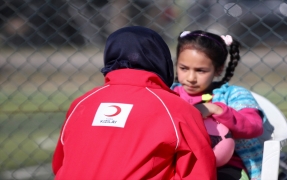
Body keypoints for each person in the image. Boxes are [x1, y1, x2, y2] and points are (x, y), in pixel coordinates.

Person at [52, 26, 217, 180]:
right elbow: (200, 174)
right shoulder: (178, 109)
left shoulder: (81, 103)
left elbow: (59, 165)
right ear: (162, 60)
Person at [171, 30, 274, 180]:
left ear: (218, 70)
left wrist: (216, 109)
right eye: (184, 68)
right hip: (178, 164)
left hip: (228, 169)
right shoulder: (168, 94)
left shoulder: (234, 95)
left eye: (201, 71)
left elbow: (254, 126)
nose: (191, 78)